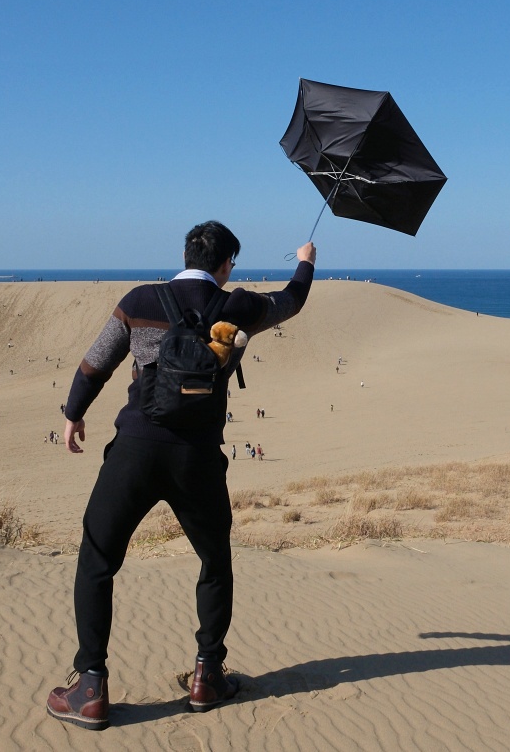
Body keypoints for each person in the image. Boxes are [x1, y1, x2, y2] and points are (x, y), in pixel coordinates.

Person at [46, 222, 316, 730]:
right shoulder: (238, 306)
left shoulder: (141, 298)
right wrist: (306, 260)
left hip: (135, 452)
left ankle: (89, 687)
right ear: (227, 263)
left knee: (98, 558)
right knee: (215, 561)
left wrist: (74, 412)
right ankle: (207, 677)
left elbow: (97, 362)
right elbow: (292, 301)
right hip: (197, 458)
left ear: (186, 253)